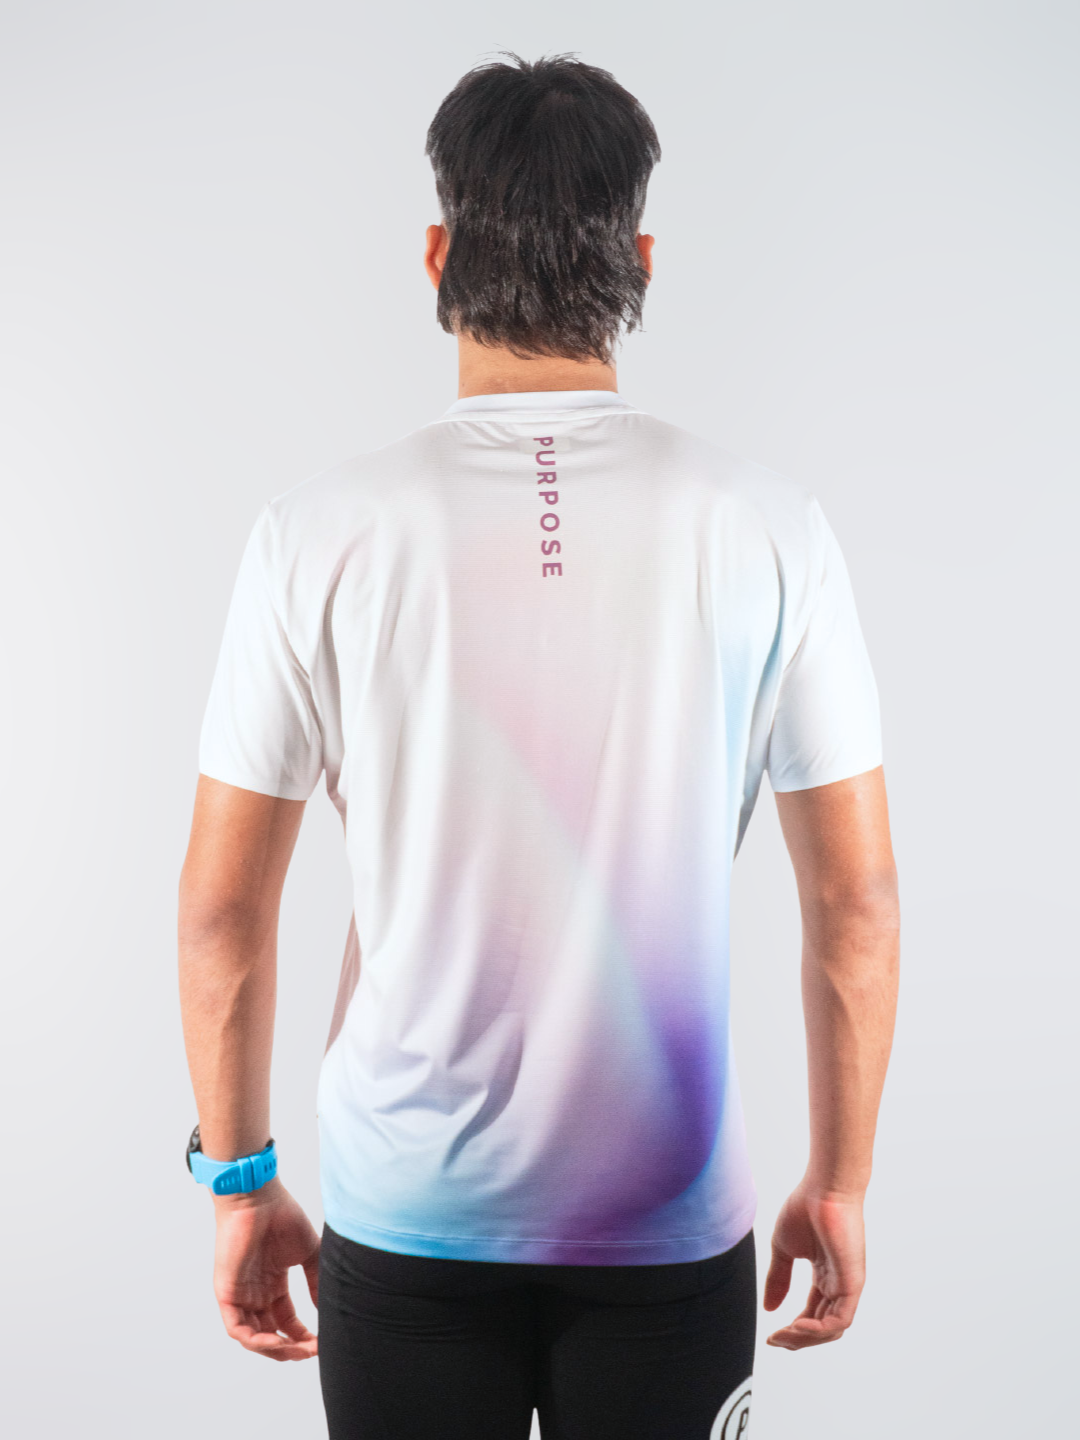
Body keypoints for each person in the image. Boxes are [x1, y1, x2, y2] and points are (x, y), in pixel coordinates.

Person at [178, 50, 900, 1440]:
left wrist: (240, 1182)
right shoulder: (769, 528)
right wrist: (842, 1179)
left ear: (437, 256)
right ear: (640, 263)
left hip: (406, 1215)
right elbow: (857, 901)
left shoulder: (316, 535)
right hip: (669, 1218)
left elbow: (221, 911)